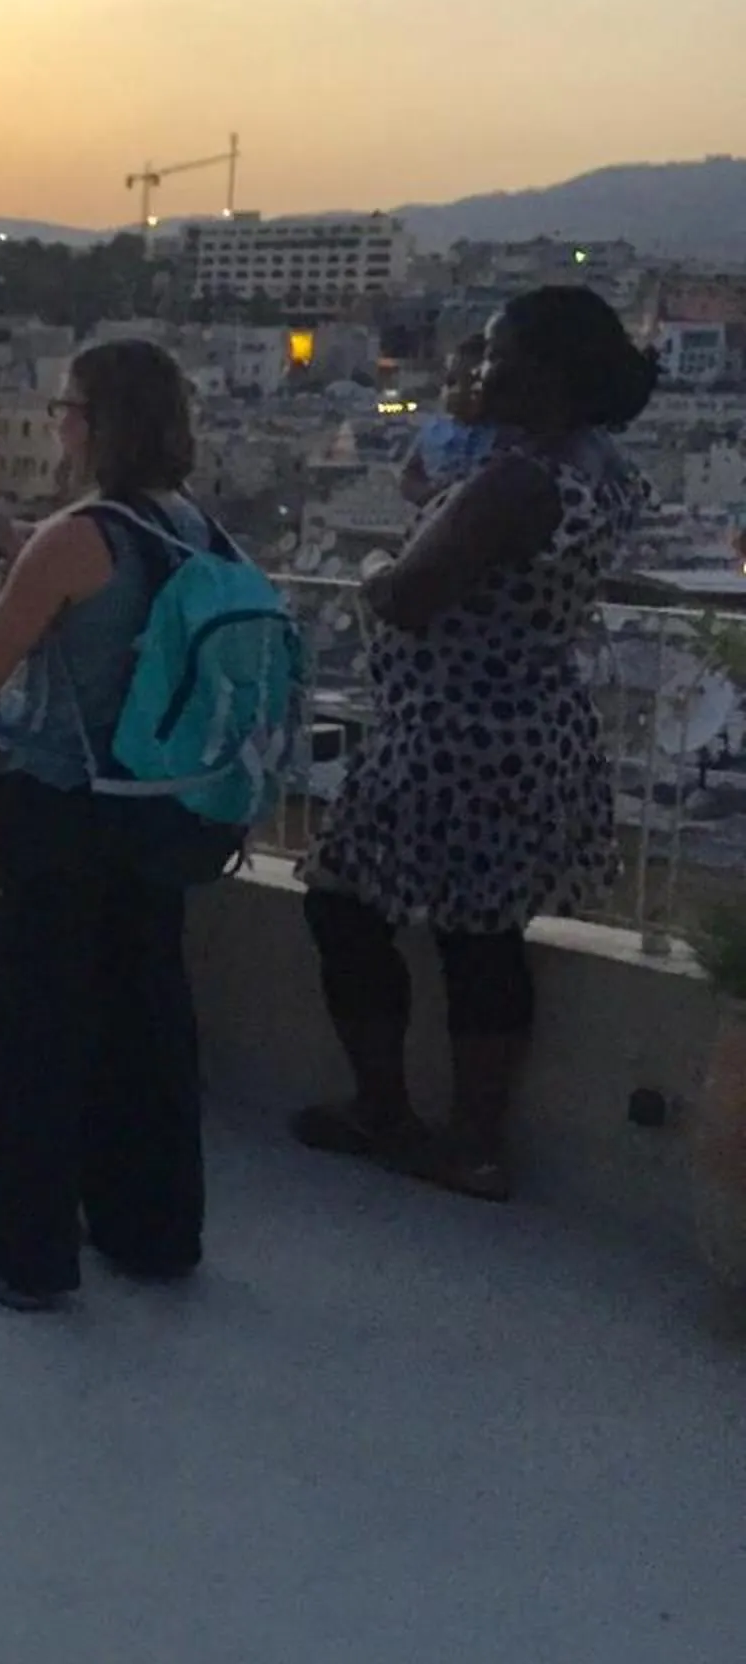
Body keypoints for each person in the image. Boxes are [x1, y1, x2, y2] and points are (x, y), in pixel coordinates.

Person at [294, 287, 655, 1201]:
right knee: (483, 935)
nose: (480, 368)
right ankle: (474, 1139)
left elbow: (411, 595)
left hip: (454, 734)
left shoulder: (517, 481)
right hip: (533, 727)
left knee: (344, 905)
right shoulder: (602, 466)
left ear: (547, 371)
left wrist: (371, 566)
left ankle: (402, 1114)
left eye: (496, 352)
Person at [0, 340, 221, 1311]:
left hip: (62, 807)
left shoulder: (76, 536)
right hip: (160, 809)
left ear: (95, 421)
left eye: (65, 405)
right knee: (148, 1018)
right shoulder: (190, 525)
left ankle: (24, 1249)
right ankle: (153, 1228)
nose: (55, 420)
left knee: (39, 1029)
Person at [401, 332, 496, 507]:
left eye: (469, 382)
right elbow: (410, 476)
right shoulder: (434, 429)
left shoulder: (505, 435)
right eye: (452, 382)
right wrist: (430, 496)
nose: (457, 391)